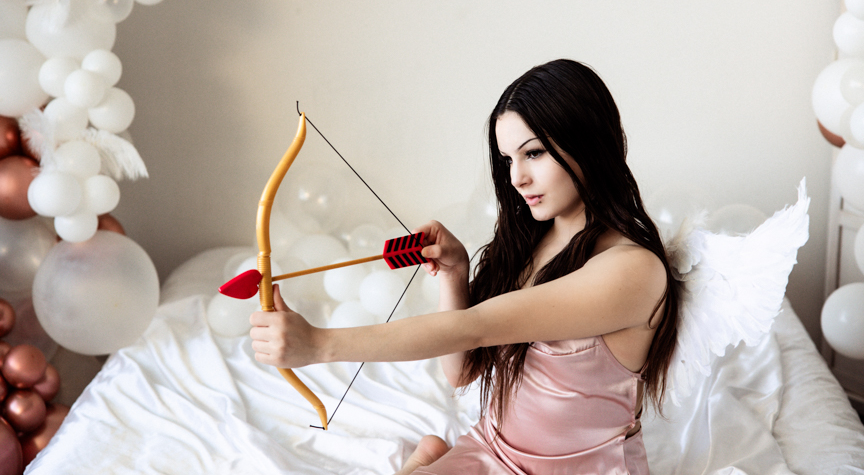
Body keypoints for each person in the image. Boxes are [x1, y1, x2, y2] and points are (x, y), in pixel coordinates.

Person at [250, 59, 680, 474]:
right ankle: (427, 459)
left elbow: (474, 327)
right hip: (490, 452)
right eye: (508, 159)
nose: (516, 178)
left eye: (533, 154)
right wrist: (455, 275)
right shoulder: (534, 242)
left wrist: (320, 345)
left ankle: (423, 460)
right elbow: (460, 371)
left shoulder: (633, 270)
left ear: (588, 142)